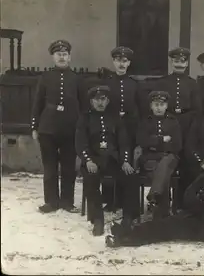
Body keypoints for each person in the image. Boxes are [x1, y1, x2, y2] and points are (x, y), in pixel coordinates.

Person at [104, 147, 204, 247]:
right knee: (164, 224)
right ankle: (125, 234)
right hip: (195, 218)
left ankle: (125, 238)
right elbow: (188, 197)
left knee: (167, 229)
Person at [75, 85, 140, 236]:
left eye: (103, 99)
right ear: (91, 101)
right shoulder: (84, 118)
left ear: (108, 101)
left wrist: (125, 161)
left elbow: (124, 143)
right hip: (94, 161)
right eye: (96, 99)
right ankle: (97, 219)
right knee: (91, 179)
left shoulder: (115, 118)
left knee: (131, 177)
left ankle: (128, 218)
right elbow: (80, 143)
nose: (100, 103)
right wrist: (88, 160)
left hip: (113, 160)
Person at [31, 40, 84, 213]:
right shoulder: (45, 78)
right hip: (48, 129)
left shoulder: (76, 78)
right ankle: (51, 202)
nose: (61, 57)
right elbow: (37, 103)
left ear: (69, 57)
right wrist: (34, 127)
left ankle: (67, 202)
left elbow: (83, 105)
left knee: (69, 167)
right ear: (53, 57)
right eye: (58, 54)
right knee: (50, 166)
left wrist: (81, 129)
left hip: (70, 129)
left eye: (64, 54)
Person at [150, 47, 203, 207]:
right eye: (176, 61)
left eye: (182, 61)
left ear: (187, 63)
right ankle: (163, 202)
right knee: (167, 160)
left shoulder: (193, 84)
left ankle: (182, 202)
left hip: (187, 125)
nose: (179, 64)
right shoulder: (163, 82)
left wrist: (192, 127)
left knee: (186, 163)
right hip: (168, 124)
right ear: (171, 62)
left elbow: (197, 109)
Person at [101, 46, 141, 212]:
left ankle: (125, 201)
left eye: (125, 61)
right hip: (112, 129)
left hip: (130, 129)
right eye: (118, 60)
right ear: (113, 62)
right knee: (111, 162)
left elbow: (141, 108)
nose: (121, 64)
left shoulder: (134, 84)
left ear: (129, 63)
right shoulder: (107, 83)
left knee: (127, 163)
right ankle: (109, 201)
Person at [136, 90, 182, 219]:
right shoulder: (145, 121)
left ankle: (154, 196)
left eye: (161, 105)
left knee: (164, 164)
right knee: (163, 173)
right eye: (156, 104)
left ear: (166, 106)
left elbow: (177, 145)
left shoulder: (173, 121)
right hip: (150, 158)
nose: (159, 108)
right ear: (151, 106)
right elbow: (141, 141)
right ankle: (162, 210)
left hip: (170, 157)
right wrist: (162, 140)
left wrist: (153, 142)